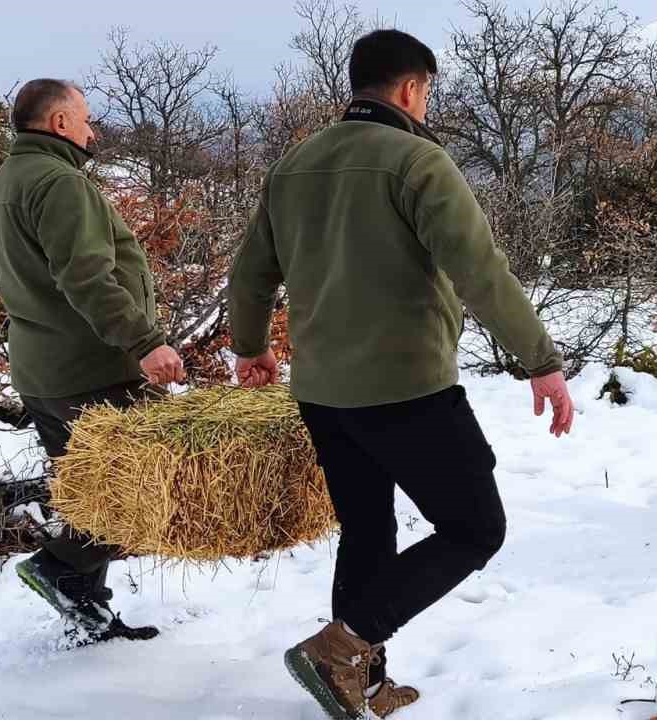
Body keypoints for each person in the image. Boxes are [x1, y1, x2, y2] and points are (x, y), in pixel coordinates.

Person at [226, 29, 576, 719]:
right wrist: (541, 361)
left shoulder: (294, 165)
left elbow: (250, 272)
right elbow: (481, 270)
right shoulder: (417, 161)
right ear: (412, 89)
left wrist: (251, 346)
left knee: (367, 529)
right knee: (475, 528)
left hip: (322, 391)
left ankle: (361, 678)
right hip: (407, 387)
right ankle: (344, 647)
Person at [0, 78, 186, 642]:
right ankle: (59, 567)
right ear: (61, 123)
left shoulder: (1, 184)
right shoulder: (61, 183)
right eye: (87, 118)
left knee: (88, 492)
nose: (93, 130)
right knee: (138, 490)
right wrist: (146, 342)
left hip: (42, 371)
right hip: (94, 371)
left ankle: (88, 612)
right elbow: (87, 278)